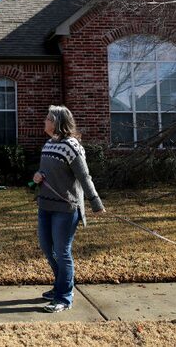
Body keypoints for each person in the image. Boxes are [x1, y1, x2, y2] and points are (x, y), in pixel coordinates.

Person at [33, 105, 106, 313]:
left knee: (62, 251)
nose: (45, 121)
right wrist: (38, 176)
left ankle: (64, 297)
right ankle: (61, 284)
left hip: (66, 208)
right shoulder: (48, 145)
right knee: (47, 247)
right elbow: (46, 171)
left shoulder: (72, 146)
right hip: (45, 205)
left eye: (48, 118)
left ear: (57, 122)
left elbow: (84, 177)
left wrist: (95, 202)